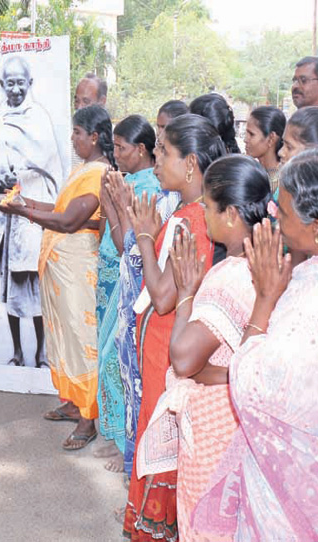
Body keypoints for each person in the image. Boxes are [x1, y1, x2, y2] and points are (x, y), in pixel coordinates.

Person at [193, 144, 318, 540]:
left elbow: (250, 387)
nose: (272, 216)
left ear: (316, 230)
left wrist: (265, 299)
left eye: (281, 211)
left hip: (300, 494)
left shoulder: (316, 303)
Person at [143, 155, 271, 540]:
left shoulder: (228, 276)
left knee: (205, 523)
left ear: (231, 214)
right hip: (241, 419)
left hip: (216, 427)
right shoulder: (267, 263)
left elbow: (182, 357)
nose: (205, 215)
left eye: (210, 208)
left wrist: (186, 294)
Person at [123, 114, 225, 541]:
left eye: (164, 152)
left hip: (170, 346)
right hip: (161, 346)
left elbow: (165, 297)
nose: (157, 159)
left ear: (191, 164)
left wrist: (145, 235)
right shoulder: (191, 213)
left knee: (161, 436)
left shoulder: (194, 220)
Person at [3, 105, 108, 451]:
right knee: (62, 338)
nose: (73, 139)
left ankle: (87, 418)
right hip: (62, 271)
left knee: (81, 340)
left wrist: (22, 211)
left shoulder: (99, 173)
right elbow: (60, 211)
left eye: (78, 133)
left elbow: (69, 222)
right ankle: (73, 401)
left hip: (79, 272)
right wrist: (24, 202)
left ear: (94, 137)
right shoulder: (85, 170)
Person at [0, 55, 65, 368]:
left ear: (30, 84)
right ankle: (16, 350)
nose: (14, 89)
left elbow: (50, 165)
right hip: (7, 217)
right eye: (9, 82)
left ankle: (40, 350)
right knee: (12, 287)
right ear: (1, 85)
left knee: (35, 285)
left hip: (34, 213)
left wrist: (25, 174)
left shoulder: (39, 117)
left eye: (20, 82)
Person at [102, 117, 180, 480]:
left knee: (133, 380)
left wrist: (117, 204)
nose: (115, 155)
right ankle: (125, 447)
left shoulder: (153, 191)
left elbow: (131, 250)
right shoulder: (145, 186)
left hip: (147, 301)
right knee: (117, 368)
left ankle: (131, 459)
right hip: (131, 292)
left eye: (165, 150)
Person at [94, 115, 155, 474]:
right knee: (109, 358)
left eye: (121, 148)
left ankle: (126, 448)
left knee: (118, 362)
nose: (115, 155)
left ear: (141, 149)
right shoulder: (129, 180)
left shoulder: (145, 188)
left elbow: (125, 245)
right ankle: (119, 440)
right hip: (115, 279)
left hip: (133, 282)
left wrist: (113, 202)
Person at [244, 105, 285, 191]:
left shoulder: (284, 183)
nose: (245, 140)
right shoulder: (253, 172)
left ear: (271, 138)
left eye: (251, 134)